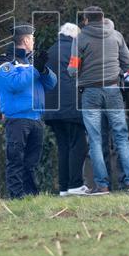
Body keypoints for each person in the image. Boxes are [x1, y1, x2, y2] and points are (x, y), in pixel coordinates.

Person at [68, 6, 129, 194]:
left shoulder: (80, 39)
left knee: (94, 139)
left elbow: (72, 70)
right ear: (103, 18)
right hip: (113, 90)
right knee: (121, 137)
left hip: (90, 93)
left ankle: (102, 185)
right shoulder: (116, 35)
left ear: (86, 20)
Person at [0, 24, 57, 198]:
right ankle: (16, 195)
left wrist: (43, 69)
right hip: (17, 119)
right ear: (26, 40)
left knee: (31, 162)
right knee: (15, 160)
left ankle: (31, 194)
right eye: (33, 39)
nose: (34, 42)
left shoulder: (32, 62)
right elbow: (15, 83)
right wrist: (36, 69)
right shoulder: (4, 62)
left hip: (36, 118)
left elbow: (51, 83)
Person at [44, 23, 89, 196]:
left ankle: (63, 187)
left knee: (63, 147)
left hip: (52, 108)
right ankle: (76, 184)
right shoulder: (75, 48)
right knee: (78, 145)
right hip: (71, 106)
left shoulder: (50, 50)